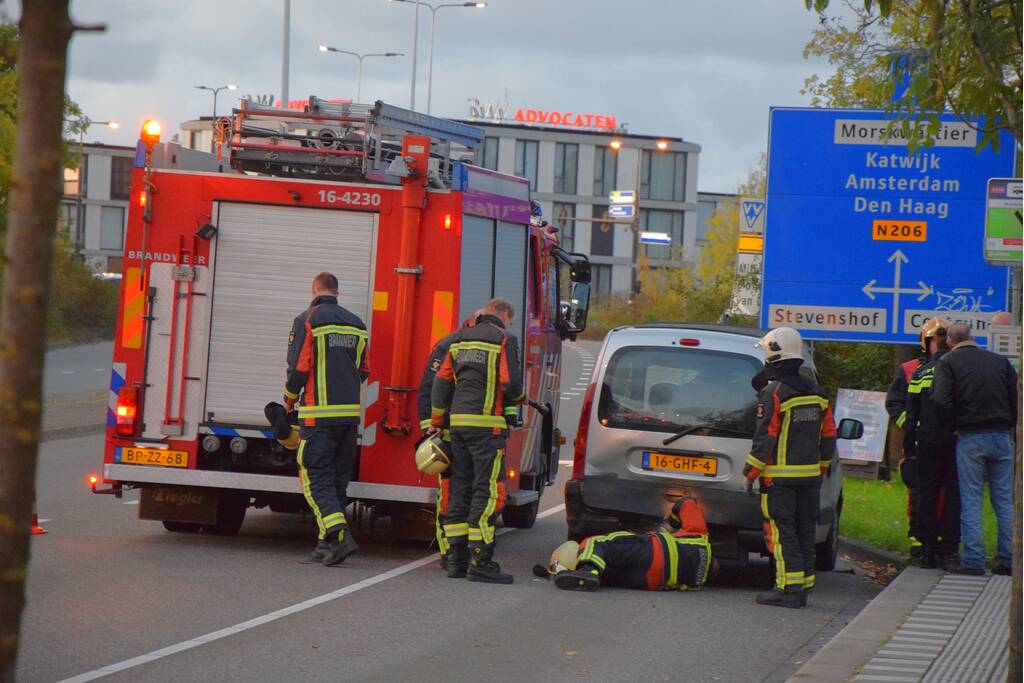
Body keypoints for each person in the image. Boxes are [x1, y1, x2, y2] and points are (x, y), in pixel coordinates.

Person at [430, 297, 523, 583]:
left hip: (457, 425)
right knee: (487, 491)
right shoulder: (504, 340)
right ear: (504, 315)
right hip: (487, 427)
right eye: (510, 319)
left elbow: (442, 381)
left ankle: (456, 560)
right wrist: (518, 398)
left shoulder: (458, 340)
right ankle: (480, 559)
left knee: (460, 490)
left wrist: (436, 421)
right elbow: (512, 385)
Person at [743, 326, 837, 609]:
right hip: (809, 479)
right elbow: (829, 436)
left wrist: (750, 473)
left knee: (782, 533)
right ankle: (803, 585)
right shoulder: (817, 393)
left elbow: (766, 436)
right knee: (804, 531)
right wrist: (821, 468)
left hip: (779, 481)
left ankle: (788, 589)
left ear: (774, 356)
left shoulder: (774, 393)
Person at [284, 272, 369, 566]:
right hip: (348, 417)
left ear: (314, 289)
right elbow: (364, 369)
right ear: (337, 292)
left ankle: (340, 534)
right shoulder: (357, 323)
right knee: (336, 481)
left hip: (317, 416)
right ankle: (325, 543)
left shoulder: (308, 319)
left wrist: (289, 398)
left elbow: (298, 368)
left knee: (314, 478)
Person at [932, 322, 1017, 576]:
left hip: (970, 437)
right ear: (973, 337)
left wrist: (953, 425)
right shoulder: (1000, 361)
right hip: (1002, 436)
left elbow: (940, 399)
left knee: (971, 499)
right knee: (1004, 499)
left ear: (949, 342)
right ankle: (1009, 560)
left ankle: (973, 560)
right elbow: (1016, 396)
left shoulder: (948, 362)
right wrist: (1010, 425)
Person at [416, 309, 485, 570]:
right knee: (449, 493)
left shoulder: (477, 346)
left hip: (467, 434)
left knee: (467, 492)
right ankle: (448, 550)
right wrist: (431, 431)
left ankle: (461, 550)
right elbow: (428, 389)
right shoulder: (448, 345)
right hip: (446, 433)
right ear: (468, 323)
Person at [536, 498, 713, 592]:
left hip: (652, 552)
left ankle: (586, 570)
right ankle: (578, 572)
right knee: (610, 573)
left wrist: (673, 522)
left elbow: (686, 502)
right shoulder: (695, 584)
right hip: (652, 582)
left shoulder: (700, 537)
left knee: (598, 542)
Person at [904, 318, 959, 569]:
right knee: (952, 497)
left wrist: (908, 449)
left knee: (926, 495)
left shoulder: (920, 373)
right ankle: (949, 551)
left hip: (925, 441)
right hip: (954, 440)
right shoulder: (959, 369)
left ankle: (926, 552)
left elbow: (911, 414)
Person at [885, 342, 924, 561]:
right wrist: (908, 424)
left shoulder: (952, 365)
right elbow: (893, 402)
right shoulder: (909, 369)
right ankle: (917, 541)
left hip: (944, 443)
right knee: (916, 493)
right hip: (915, 444)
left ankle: (941, 543)